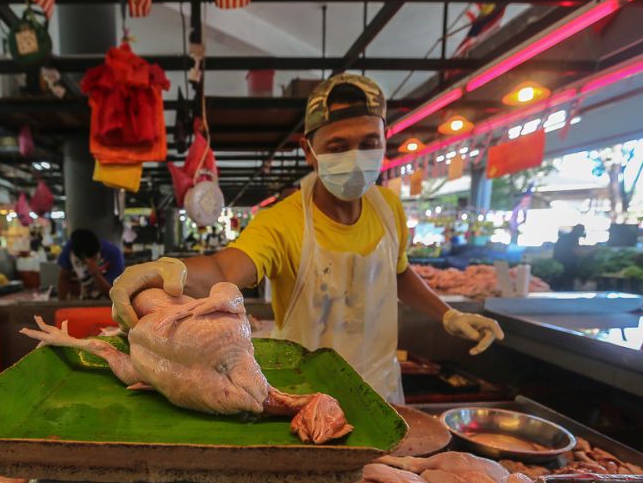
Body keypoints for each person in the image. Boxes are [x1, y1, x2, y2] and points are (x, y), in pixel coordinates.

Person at [108, 74, 503, 403]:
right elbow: (224, 269)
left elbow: (398, 273)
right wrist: (169, 270)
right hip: (304, 392)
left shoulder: (389, 208)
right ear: (309, 151)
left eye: (368, 144)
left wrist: (447, 315)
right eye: (338, 146)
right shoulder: (282, 221)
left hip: (381, 387)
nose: (355, 157)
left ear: (385, 141)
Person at [57, 228, 125, 300]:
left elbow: (114, 296)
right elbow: (64, 277)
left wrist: (96, 274)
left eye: (93, 258)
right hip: (85, 298)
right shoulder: (72, 246)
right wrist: (61, 303)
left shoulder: (114, 254)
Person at [552, 224, 585, 291]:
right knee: (567, 287)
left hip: (561, 267)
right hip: (566, 267)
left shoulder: (567, 237)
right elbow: (577, 251)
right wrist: (593, 249)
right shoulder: (571, 238)